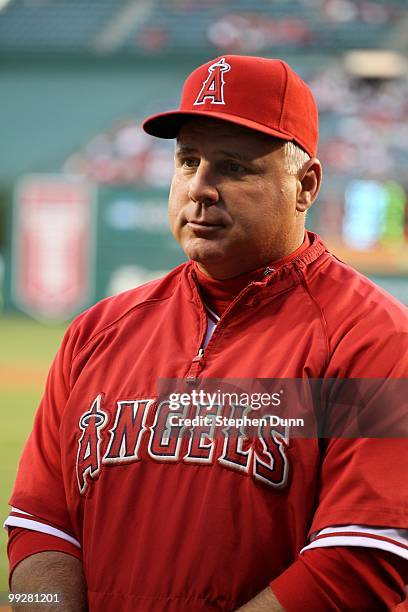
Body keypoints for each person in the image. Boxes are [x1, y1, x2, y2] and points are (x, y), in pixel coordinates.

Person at [5, 55, 408, 611]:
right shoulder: (96, 332)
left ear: (305, 184)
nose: (200, 188)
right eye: (187, 160)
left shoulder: (374, 338)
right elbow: (40, 528)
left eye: (234, 167)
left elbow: (362, 557)